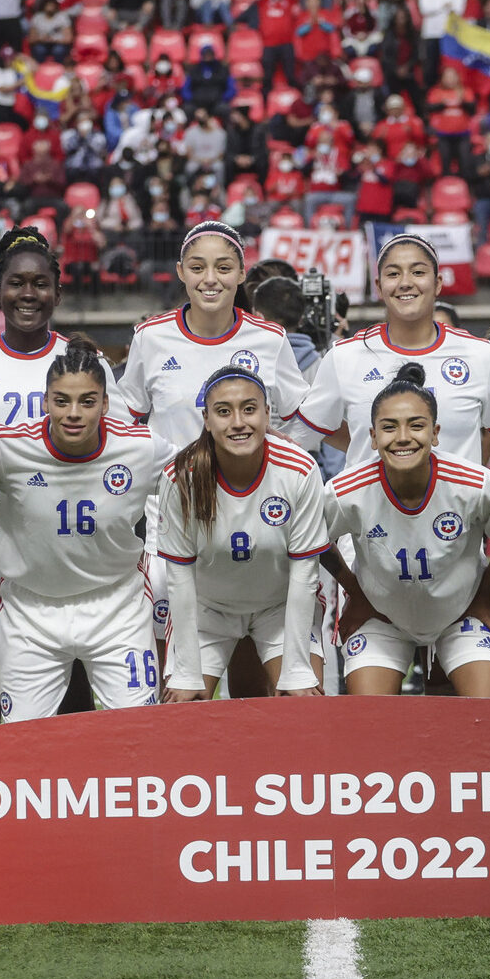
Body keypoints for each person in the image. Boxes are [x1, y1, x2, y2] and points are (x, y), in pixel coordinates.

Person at [0, 229, 121, 728]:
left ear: (57, 293)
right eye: (16, 282)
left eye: (40, 284)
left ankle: (69, 805)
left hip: (69, 556)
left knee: (73, 701)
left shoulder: (87, 364)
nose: (28, 294)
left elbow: (119, 449)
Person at [120, 222, 311, 682]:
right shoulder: (151, 337)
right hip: (172, 518)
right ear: (181, 272)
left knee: (249, 662)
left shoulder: (269, 339)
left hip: (253, 514)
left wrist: (279, 471)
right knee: (173, 669)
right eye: (199, 267)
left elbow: (298, 420)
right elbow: (127, 422)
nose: (211, 278)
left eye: (224, 268)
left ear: (242, 274)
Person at [0, 336, 168, 719]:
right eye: (62, 400)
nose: (73, 413)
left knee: (142, 732)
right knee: (22, 742)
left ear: (105, 404)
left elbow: (200, 477)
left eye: (87, 401)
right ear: (46, 401)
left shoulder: (143, 447)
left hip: (118, 607)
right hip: (30, 611)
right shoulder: (6, 445)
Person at [320, 365, 490, 699]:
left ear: (435, 433)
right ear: (372, 437)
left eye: (416, 425)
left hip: (462, 612)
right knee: (371, 724)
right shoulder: (345, 491)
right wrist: (354, 591)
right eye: (389, 427)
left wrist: (486, 596)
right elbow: (312, 539)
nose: (403, 437)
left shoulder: (476, 484)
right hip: (380, 614)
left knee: (487, 714)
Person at [158, 366, 333, 700]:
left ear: (268, 414)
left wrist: (296, 670)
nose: (238, 422)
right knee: (181, 714)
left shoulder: (299, 470)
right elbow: (179, 580)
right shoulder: (181, 476)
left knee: (303, 708)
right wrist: (187, 673)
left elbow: (305, 575)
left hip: (279, 607)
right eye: (223, 412)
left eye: (249, 409)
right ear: (206, 420)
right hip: (207, 610)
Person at [293, 234, 490, 468]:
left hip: (459, 505)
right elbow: (305, 433)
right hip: (371, 505)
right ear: (379, 286)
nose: (405, 282)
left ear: (438, 283)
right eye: (393, 273)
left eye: (418, 272)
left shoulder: (479, 354)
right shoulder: (344, 356)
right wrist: (364, 445)